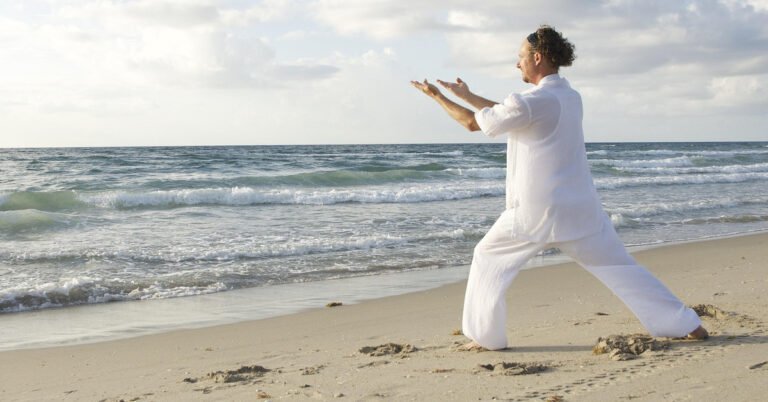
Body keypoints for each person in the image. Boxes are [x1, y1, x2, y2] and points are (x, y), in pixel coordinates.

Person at [411, 25, 708, 351]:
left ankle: (486, 337)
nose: (517, 64)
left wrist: (438, 97)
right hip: (581, 210)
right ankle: (685, 324)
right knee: (620, 268)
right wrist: (467, 95)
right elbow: (515, 112)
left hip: (536, 213)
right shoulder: (567, 96)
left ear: (537, 57)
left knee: (487, 257)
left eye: (521, 57)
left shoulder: (531, 102)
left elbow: (475, 123)